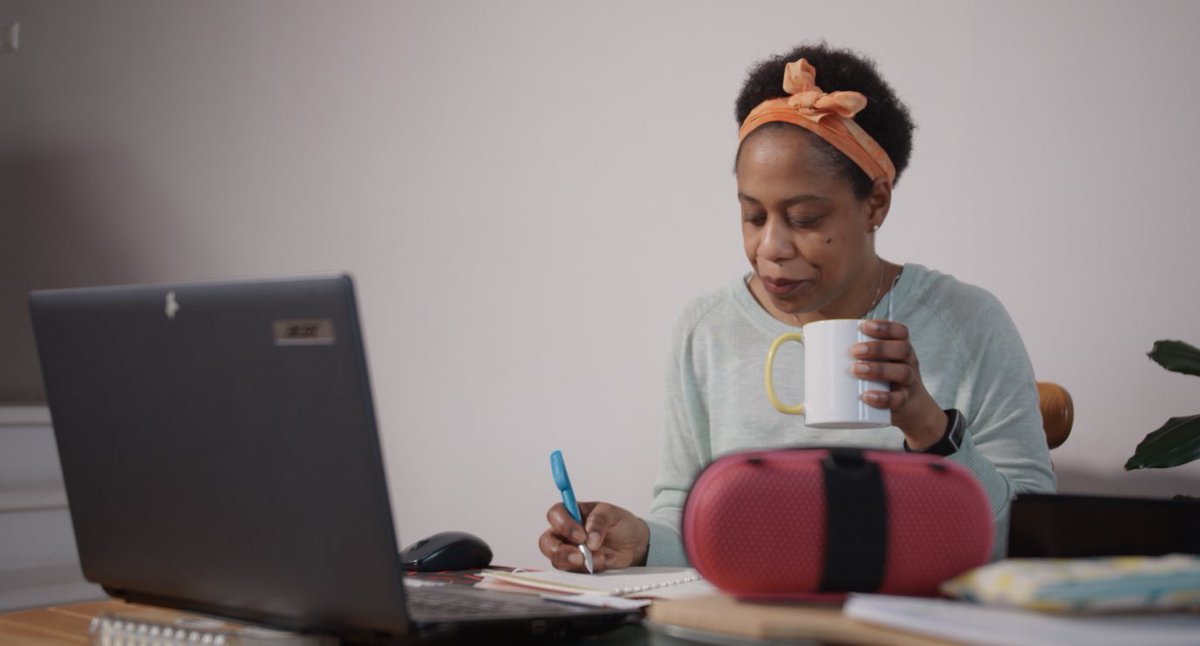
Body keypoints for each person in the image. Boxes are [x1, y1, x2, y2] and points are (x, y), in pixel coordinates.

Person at [538, 42, 1056, 572]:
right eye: (753, 217)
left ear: (875, 202)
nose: (771, 249)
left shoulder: (967, 324)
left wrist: (928, 426)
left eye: (805, 219)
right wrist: (647, 544)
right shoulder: (706, 330)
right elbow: (691, 515)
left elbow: (1029, 543)